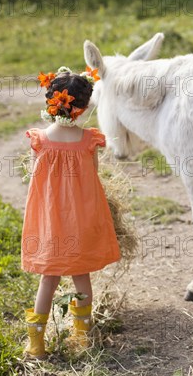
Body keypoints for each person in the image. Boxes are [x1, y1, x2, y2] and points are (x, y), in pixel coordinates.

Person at [21, 66, 120, 359]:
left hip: (50, 220)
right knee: (81, 274)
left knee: (48, 277)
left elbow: (33, 176)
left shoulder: (38, 139)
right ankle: (83, 337)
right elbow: (93, 175)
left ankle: (36, 344)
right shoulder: (89, 140)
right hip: (81, 219)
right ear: (83, 107)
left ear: (50, 102)